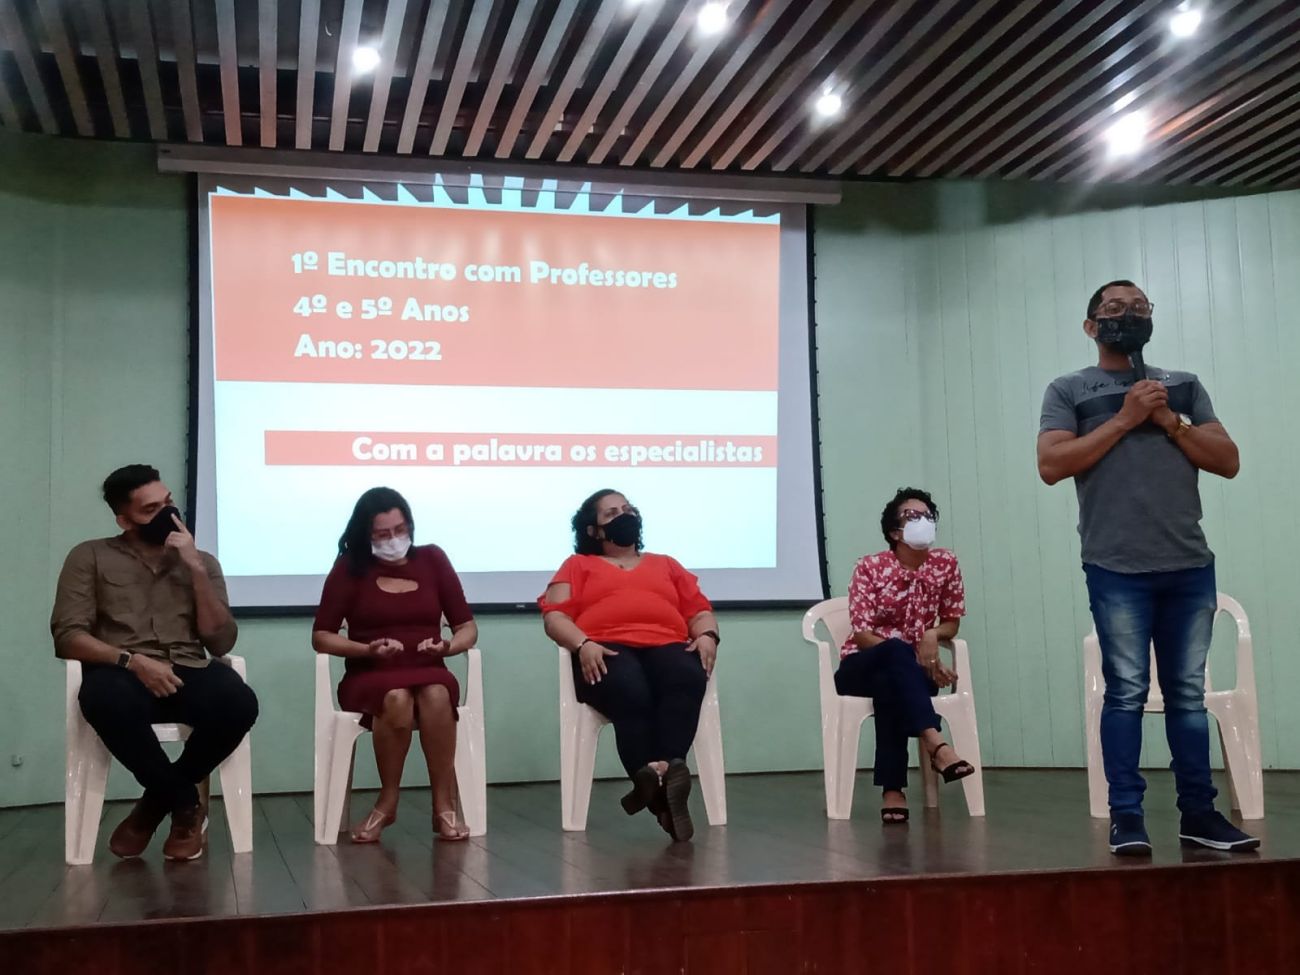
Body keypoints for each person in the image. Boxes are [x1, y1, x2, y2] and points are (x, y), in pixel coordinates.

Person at [1038, 279, 1258, 855]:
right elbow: (1052, 464)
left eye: (1139, 307)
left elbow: (1227, 461)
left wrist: (1169, 421)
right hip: (1115, 566)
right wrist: (1125, 418)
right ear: (1091, 326)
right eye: (1114, 308)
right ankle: (1127, 817)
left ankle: (1199, 815)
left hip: (1188, 563)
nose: (1129, 314)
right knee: (1126, 692)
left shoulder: (1182, 385)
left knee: (1187, 695)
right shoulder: (1068, 389)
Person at [51, 464, 258, 861]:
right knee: (102, 698)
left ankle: (154, 805)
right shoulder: (89, 556)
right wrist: (132, 661)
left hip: (188, 668)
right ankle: (184, 803)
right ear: (124, 519)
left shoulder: (202, 561)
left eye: (168, 503)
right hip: (122, 671)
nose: (167, 515)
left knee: (239, 702)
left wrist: (195, 568)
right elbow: (68, 635)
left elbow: (221, 641)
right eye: (151, 510)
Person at [539, 489, 719, 841]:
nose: (624, 516)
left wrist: (708, 635)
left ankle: (658, 775)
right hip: (603, 649)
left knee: (686, 675)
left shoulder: (666, 564)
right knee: (629, 687)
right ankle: (665, 786)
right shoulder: (577, 565)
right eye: (611, 513)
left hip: (666, 644)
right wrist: (583, 644)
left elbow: (699, 611)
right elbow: (555, 617)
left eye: (628, 509)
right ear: (593, 530)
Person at [312, 487, 477, 842]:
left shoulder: (433, 559)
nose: (394, 540)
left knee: (437, 693)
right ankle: (387, 802)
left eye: (400, 530)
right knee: (396, 697)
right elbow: (322, 636)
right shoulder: (349, 568)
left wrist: (447, 646)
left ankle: (443, 806)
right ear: (365, 534)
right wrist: (367, 649)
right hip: (371, 673)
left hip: (429, 667)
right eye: (383, 534)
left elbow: (467, 627)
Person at [838, 488, 975, 824]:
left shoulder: (945, 564)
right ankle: (935, 742)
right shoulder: (870, 567)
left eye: (927, 515)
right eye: (913, 516)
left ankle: (893, 790)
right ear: (894, 532)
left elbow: (951, 622)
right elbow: (862, 635)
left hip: (909, 674)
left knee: (891, 684)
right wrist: (907, 654)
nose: (923, 521)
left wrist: (932, 634)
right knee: (896, 654)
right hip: (860, 665)